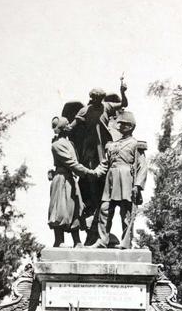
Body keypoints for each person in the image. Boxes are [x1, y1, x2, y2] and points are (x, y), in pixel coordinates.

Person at [65, 83, 128, 236]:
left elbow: (124, 104)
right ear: (92, 98)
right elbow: (73, 125)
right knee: (91, 177)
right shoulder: (85, 110)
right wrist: (64, 130)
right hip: (90, 149)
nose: (99, 101)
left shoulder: (106, 106)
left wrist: (122, 91)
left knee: (105, 177)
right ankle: (92, 206)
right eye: (96, 99)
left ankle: (102, 209)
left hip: (105, 145)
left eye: (100, 99)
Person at [48, 116, 106, 247]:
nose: (70, 126)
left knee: (75, 208)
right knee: (60, 208)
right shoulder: (57, 145)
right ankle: (59, 240)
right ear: (62, 128)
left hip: (71, 178)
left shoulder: (70, 143)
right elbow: (72, 163)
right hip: (61, 179)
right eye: (67, 124)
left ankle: (77, 241)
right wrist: (89, 172)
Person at [94, 111, 147, 248]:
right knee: (105, 210)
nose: (121, 126)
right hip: (110, 180)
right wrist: (93, 173)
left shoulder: (136, 144)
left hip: (126, 181)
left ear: (131, 126)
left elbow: (142, 167)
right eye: (120, 123)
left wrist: (137, 185)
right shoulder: (112, 145)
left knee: (126, 213)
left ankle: (126, 242)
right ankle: (102, 240)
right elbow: (104, 164)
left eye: (124, 124)